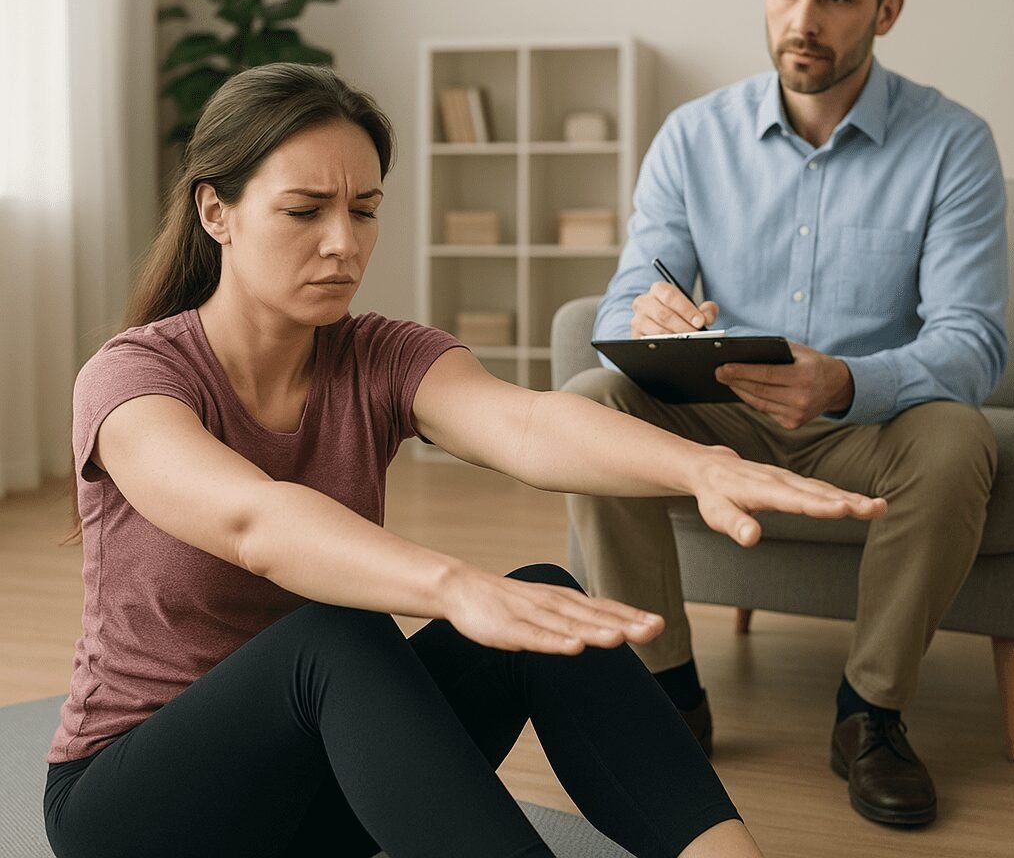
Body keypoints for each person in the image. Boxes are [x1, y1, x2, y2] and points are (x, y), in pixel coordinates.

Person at [42, 63, 884, 858]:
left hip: (312, 796)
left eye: (364, 210)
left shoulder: (376, 355)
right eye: (305, 211)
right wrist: (457, 587)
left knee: (548, 607)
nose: (344, 243)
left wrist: (701, 465)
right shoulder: (133, 377)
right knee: (337, 632)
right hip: (141, 807)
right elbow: (255, 521)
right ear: (215, 213)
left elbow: (526, 424)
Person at [565, 0, 1008, 829]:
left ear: (887, 10)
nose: (801, 20)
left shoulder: (954, 145)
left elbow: (974, 343)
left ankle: (870, 716)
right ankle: (668, 693)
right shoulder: (692, 137)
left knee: (960, 437)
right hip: (715, 415)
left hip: (867, 427)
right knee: (583, 402)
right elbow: (621, 302)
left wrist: (847, 380)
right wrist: (650, 320)